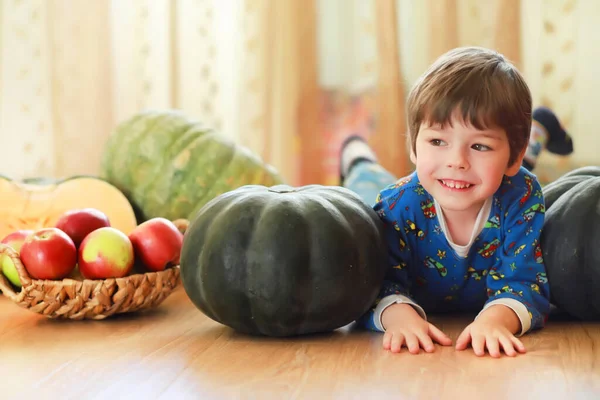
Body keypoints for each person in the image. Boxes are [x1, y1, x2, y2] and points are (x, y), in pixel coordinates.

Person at [340, 46, 551, 358]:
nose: (457, 161)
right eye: (437, 141)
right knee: (365, 179)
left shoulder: (522, 198)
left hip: (498, 176)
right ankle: (355, 152)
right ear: (413, 145)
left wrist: (496, 320)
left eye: (480, 145)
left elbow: (526, 280)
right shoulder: (395, 206)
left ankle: (540, 131)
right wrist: (398, 315)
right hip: (385, 188)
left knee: (506, 175)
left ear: (512, 155)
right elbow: (374, 282)